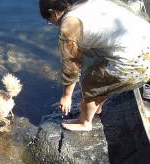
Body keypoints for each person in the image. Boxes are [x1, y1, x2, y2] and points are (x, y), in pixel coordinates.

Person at [39, 0, 150, 131]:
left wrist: (66, 96)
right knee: (101, 77)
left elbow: (71, 67)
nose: (52, 23)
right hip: (145, 43)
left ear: (53, 13)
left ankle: (85, 122)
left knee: (89, 85)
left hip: (135, 64)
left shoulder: (69, 26)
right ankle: (97, 108)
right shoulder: (88, 3)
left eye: (49, 20)